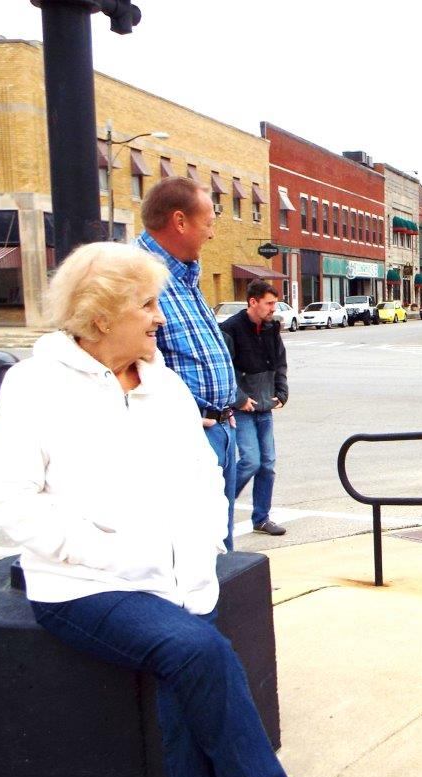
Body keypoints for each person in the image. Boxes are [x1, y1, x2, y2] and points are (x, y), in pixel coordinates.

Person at [0, 242, 336, 777]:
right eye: (145, 305)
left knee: (186, 705)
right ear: (100, 314)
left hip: (179, 583)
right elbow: (7, 498)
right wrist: (103, 552)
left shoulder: (165, 386)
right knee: (197, 651)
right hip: (85, 586)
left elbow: (206, 477)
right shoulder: (35, 386)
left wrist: (198, 554)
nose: (158, 318)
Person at [136, 177, 244, 550]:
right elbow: (115, 365)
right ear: (180, 221)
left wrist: (228, 407)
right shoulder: (133, 274)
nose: (212, 234)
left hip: (220, 427)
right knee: (192, 548)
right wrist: (171, 416)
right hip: (184, 435)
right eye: (208, 223)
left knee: (220, 549)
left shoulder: (183, 273)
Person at [220, 280, 289, 537]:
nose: (273, 308)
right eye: (269, 303)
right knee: (250, 461)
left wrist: (281, 392)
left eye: (274, 303)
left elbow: (280, 363)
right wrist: (239, 398)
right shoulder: (231, 329)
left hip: (264, 406)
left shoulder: (271, 328)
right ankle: (218, 505)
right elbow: (225, 368)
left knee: (267, 464)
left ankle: (261, 518)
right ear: (253, 302)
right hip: (242, 409)